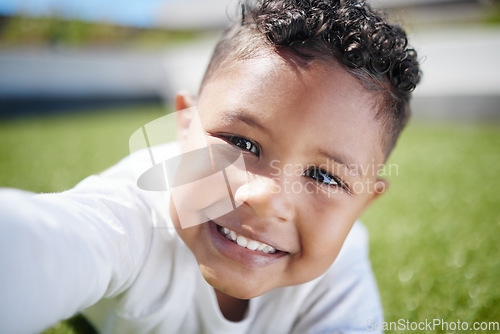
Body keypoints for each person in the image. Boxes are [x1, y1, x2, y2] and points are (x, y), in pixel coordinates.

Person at [0, 0, 421, 333]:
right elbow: (40, 243)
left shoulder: (341, 266)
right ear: (185, 126)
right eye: (241, 142)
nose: (263, 198)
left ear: (364, 200)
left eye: (324, 176)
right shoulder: (132, 216)